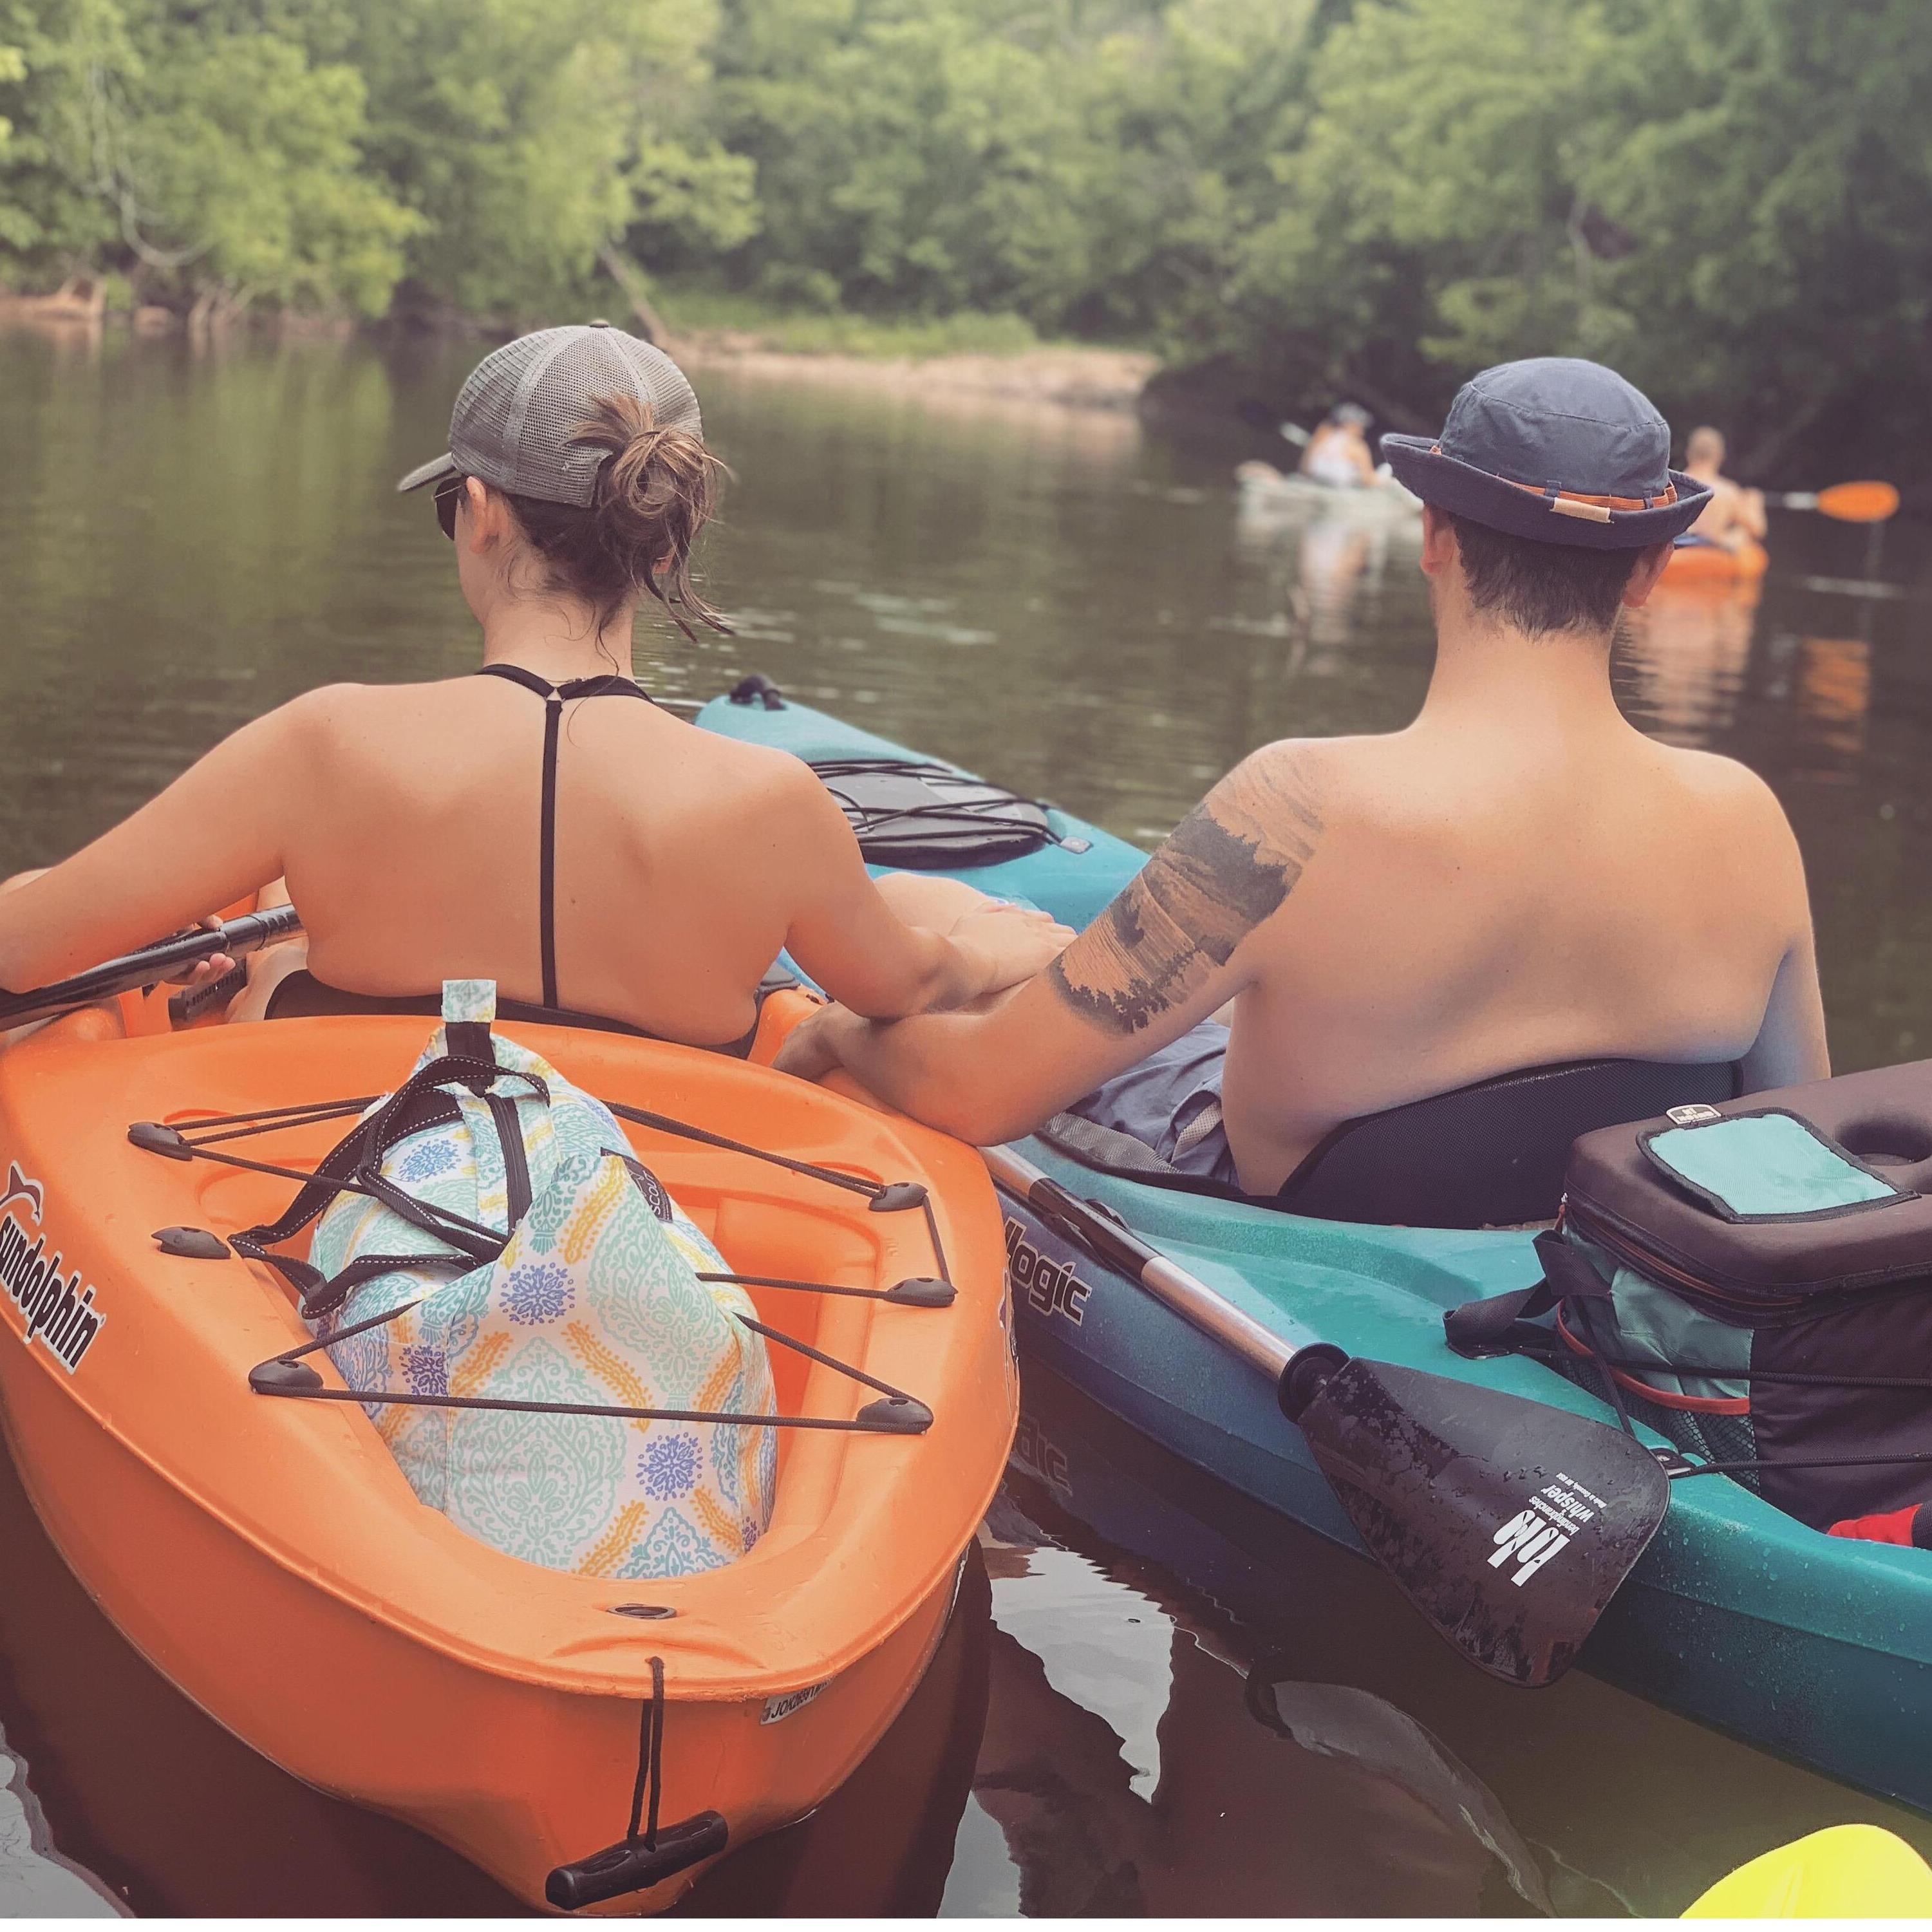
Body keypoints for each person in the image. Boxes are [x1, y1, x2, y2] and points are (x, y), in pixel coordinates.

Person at [776, 358, 1828, 1194]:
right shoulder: (1748, 821)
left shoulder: (1295, 813)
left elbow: (977, 1095)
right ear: (1647, 575)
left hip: (1265, 1192)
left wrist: (839, 1031)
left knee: (936, 921)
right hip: (1577, 1252)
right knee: (1075, 961)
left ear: (1432, 534)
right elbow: (1790, 1158)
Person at [0, 324, 1071, 1042]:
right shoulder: (772, 804)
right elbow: (909, 984)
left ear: (480, 510)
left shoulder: (327, 746)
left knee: (282, 946)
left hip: (357, 1217)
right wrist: (991, 951)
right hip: (649, 1232)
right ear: (665, 543)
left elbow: (29, 944)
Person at [1681, 426, 1768, 554]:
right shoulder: (1728, 491)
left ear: (1689, 453)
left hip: (1679, 555)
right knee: (1743, 533)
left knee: (1739, 534)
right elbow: (1757, 529)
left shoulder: (1672, 486)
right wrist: (1754, 503)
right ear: (1720, 456)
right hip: (1710, 556)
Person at [1299, 404, 1379, 489]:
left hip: (1314, 477)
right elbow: (1367, 478)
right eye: (1361, 426)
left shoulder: (1323, 432)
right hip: (1340, 486)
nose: (1362, 430)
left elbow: (1305, 464)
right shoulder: (1357, 445)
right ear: (1351, 425)